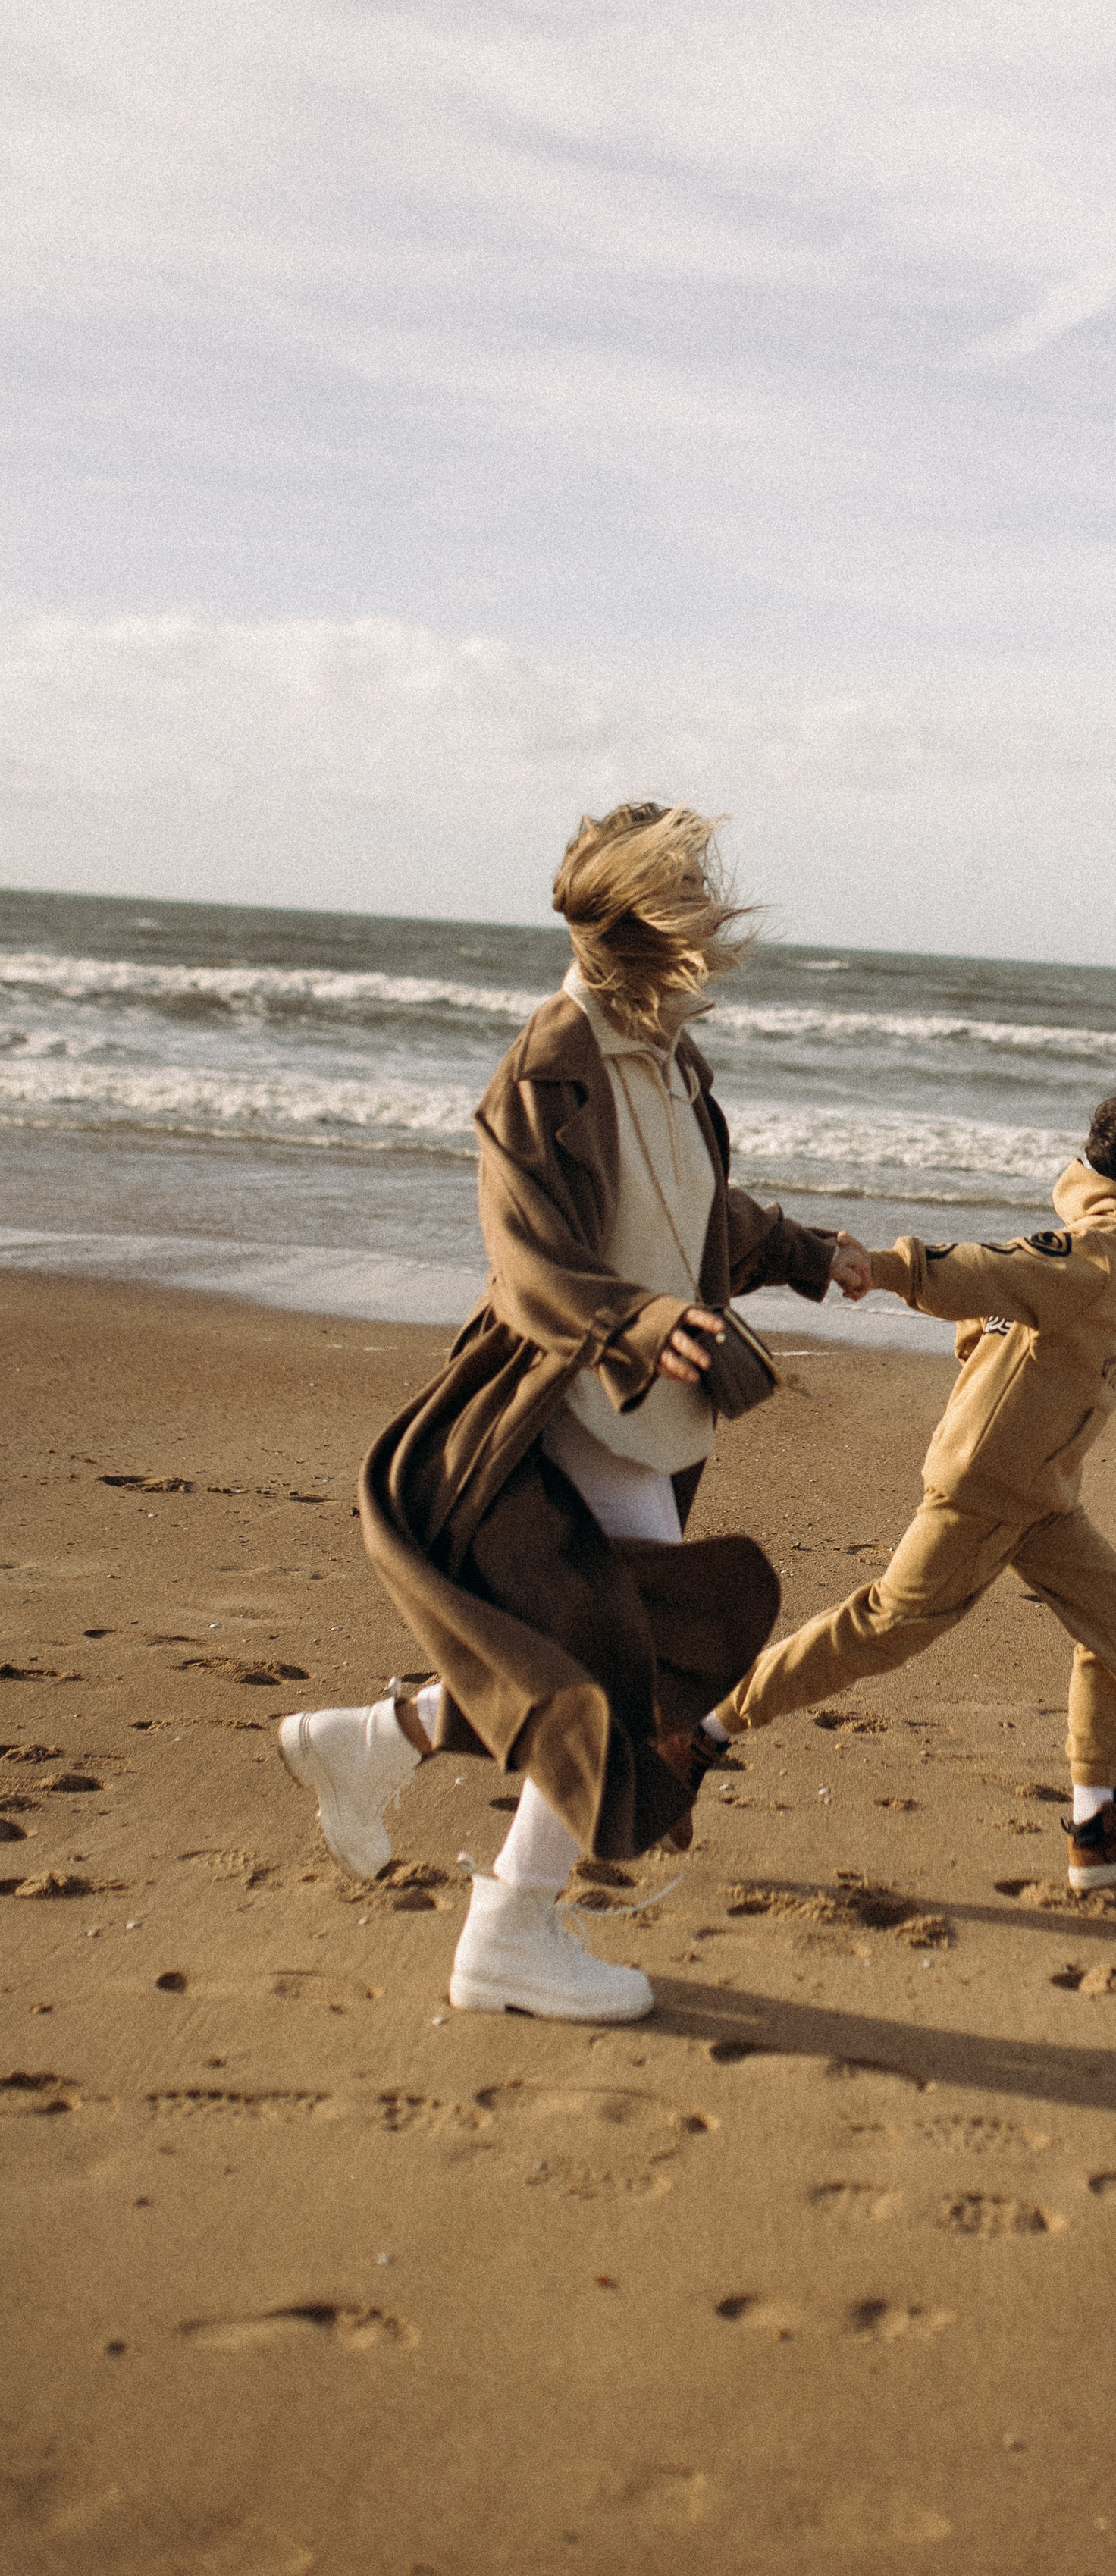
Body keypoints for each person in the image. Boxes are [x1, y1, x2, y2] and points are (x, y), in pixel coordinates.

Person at [277, 800, 870, 2022]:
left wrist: (813, 1254)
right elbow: (528, 1251)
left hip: (634, 1404)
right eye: (686, 892)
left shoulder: (665, 1062)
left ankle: (380, 1741)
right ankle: (509, 1929)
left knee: (612, 1642)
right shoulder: (551, 1062)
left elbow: (696, 1214)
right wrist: (640, 1325)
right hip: (557, 1396)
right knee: (643, 1658)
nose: (706, 910)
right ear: (639, 919)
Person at [682, 1091, 1116, 1890]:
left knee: (1115, 1615)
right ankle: (693, 1736)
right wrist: (891, 1266)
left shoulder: (1115, 1248)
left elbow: (998, 1313)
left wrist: (993, 1356)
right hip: (992, 1488)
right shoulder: (1106, 1249)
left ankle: (1096, 1826)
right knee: (882, 1627)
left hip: (1038, 1490)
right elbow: (991, 1271)